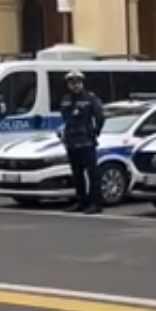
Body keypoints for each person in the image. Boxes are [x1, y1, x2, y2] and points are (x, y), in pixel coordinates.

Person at [59, 70, 105, 214]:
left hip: (87, 142)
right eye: (72, 83)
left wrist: (95, 132)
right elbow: (65, 119)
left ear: (82, 83)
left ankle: (95, 204)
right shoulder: (66, 99)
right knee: (77, 175)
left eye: (78, 82)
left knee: (92, 175)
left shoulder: (90, 98)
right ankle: (81, 202)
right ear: (68, 85)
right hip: (72, 143)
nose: (75, 86)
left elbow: (100, 117)